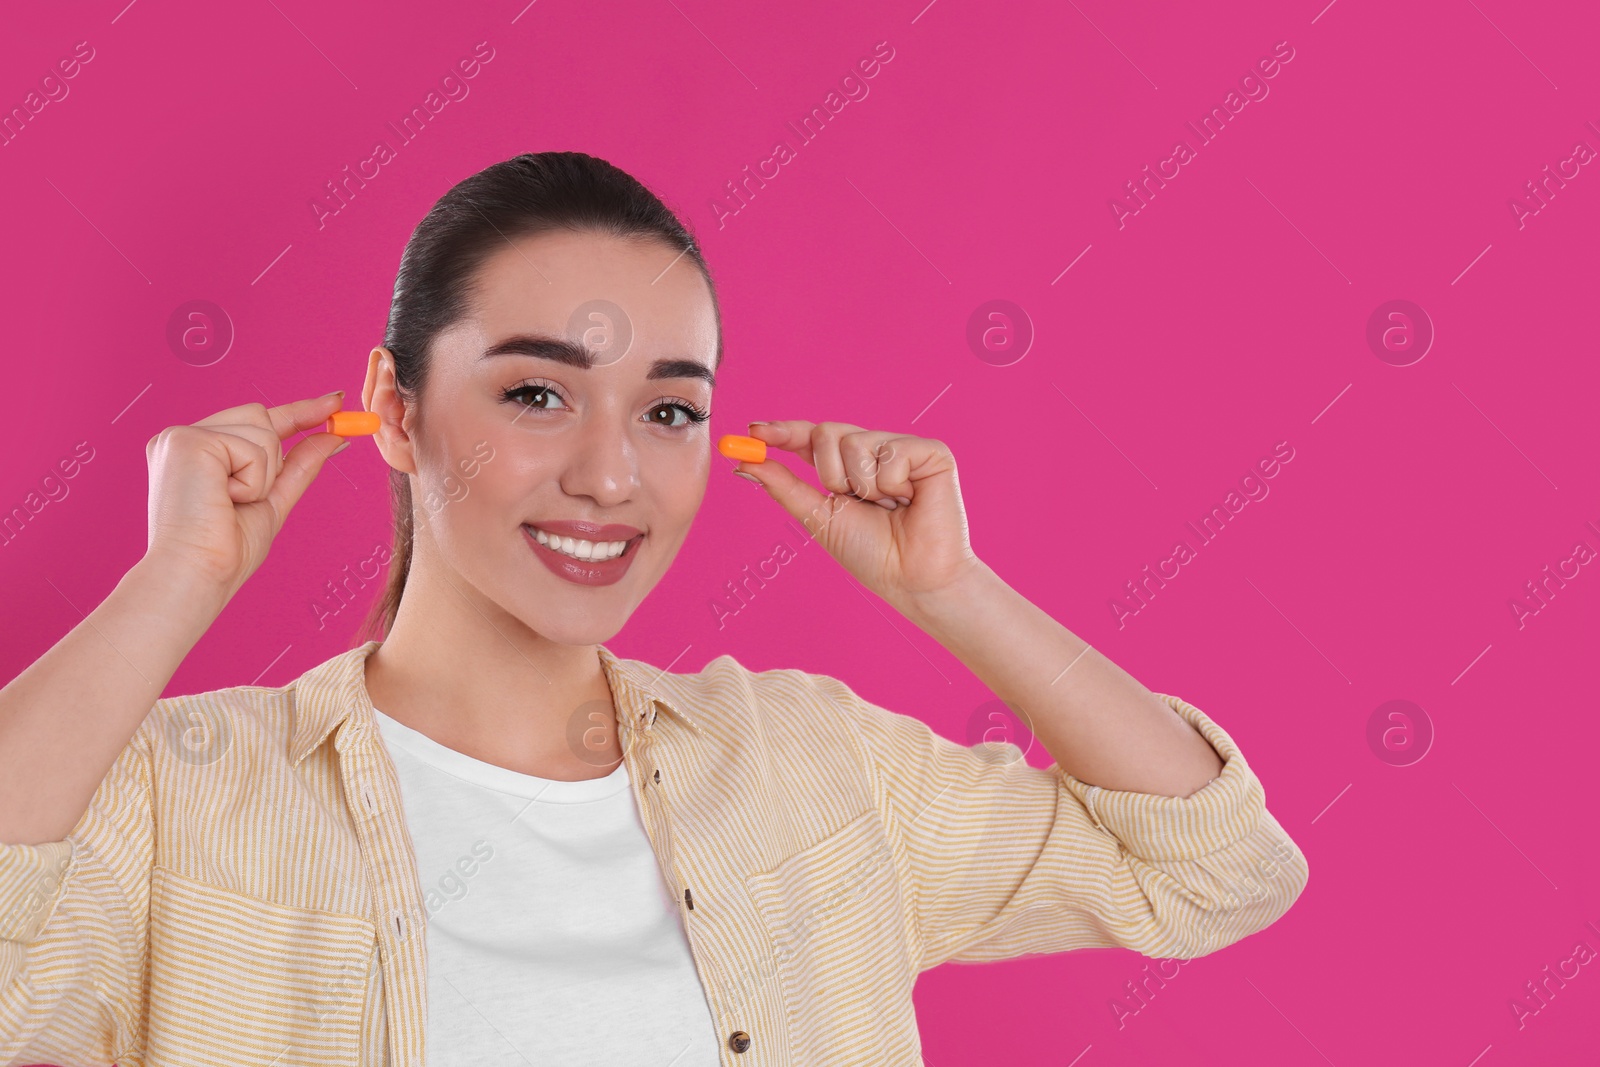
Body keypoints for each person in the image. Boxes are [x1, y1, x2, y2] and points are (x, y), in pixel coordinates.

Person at [0, 152, 1308, 1067]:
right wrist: (167, 589)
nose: (612, 476)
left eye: (670, 410)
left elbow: (1214, 869)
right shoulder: (189, 800)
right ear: (395, 410)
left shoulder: (812, 769)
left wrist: (952, 593)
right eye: (536, 394)